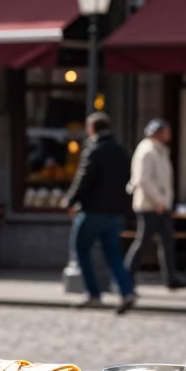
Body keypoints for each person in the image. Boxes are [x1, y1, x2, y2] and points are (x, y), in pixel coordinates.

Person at [62, 112, 135, 314]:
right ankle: (126, 291)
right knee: (113, 254)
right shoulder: (121, 151)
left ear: (91, 129)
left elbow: (83, 179)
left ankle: (94, 294)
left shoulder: (94, 151)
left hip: (93, 212)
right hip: (115, 214)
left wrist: (70, 200)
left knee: (81, 250)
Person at [125, 119, 186, 290]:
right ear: (158, 133)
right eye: (166, 131)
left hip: (160, 204)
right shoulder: (147, 151)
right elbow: (144, 180)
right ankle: (125, 276)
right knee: (143, 241)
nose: (169, 135)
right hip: (150, 205)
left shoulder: (160, 150)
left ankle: (171, 277)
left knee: (167, 241)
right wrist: (159, 201)